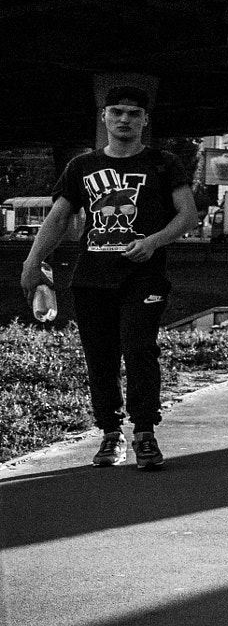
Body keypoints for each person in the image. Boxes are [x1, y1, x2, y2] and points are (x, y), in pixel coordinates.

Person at [18, 87, 201, 469]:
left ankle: (145, 433)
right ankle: (110, 434)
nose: (124, 119)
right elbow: (59, 218)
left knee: (138, 348)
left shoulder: (163, 163)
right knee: (100, 359)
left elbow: (188, 216)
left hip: (143, 277)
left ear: (145, 120)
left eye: (134, 114)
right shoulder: (82, 167)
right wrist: (33, 261)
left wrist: (153, 241)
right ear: (104, 116)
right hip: (91, 278)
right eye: (117, 112)